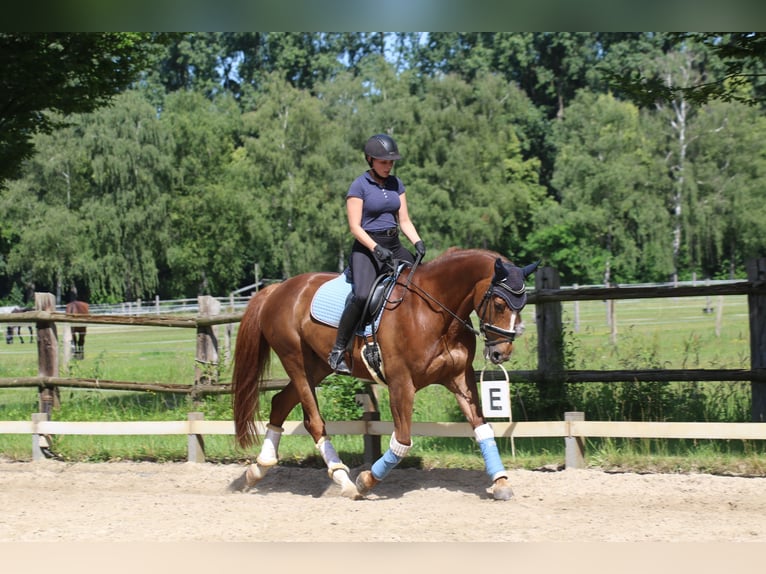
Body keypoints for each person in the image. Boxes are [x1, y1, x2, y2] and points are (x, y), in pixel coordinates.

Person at [328, 133, 426, 374]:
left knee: (422, 285)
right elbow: (354, 227)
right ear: (370, 160)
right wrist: (374, 248)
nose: (388, 166)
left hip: (393, 245)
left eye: (391, 162)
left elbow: (404, 220)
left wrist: (418, 241)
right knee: (361, 295)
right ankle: (338, 350)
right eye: (384, 162)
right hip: (366, 249)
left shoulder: (396, 184)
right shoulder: (359, 186)